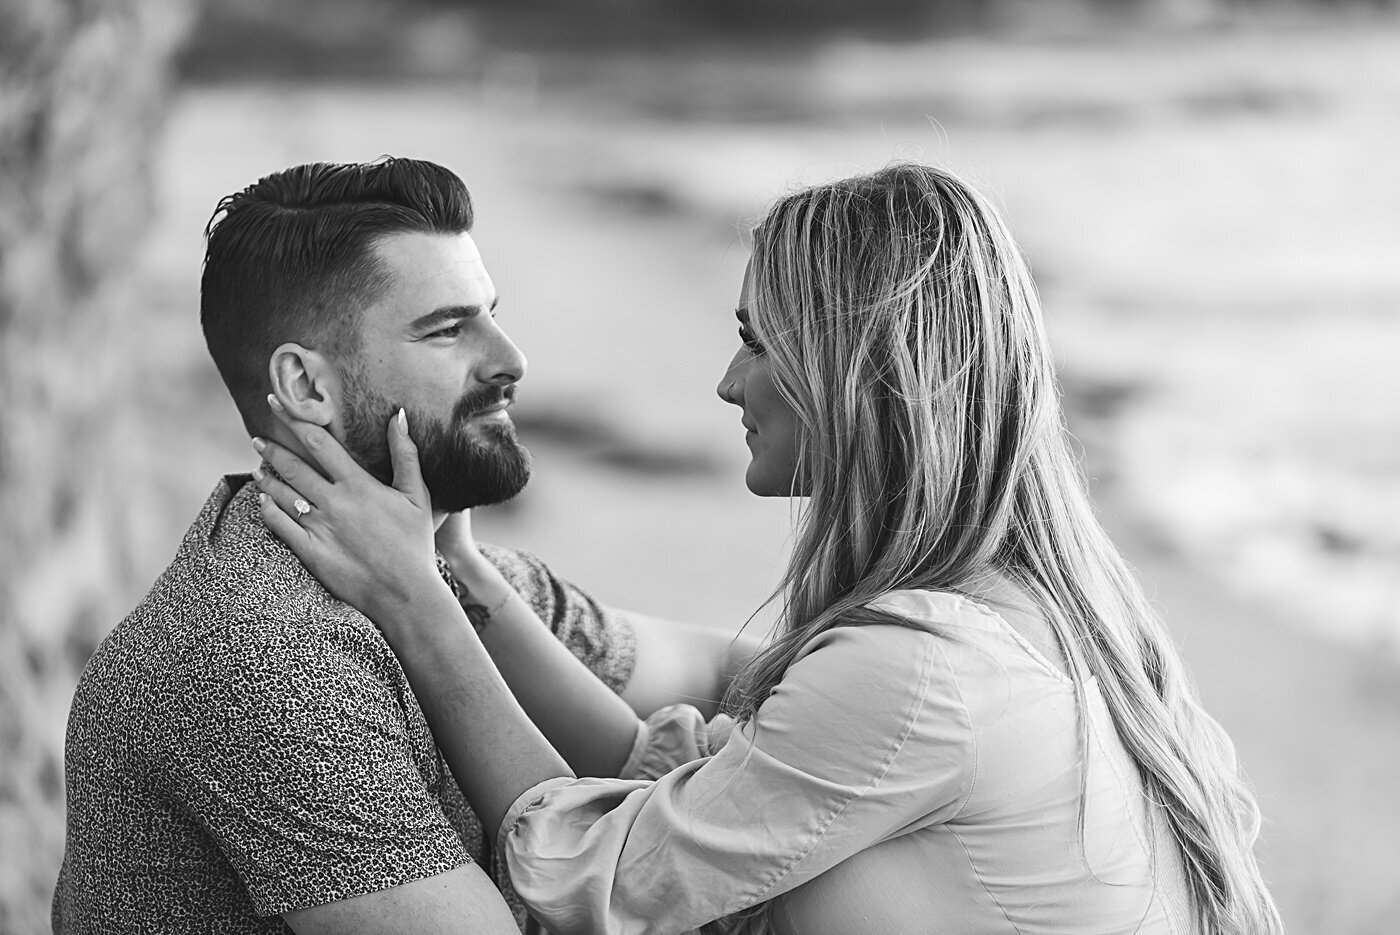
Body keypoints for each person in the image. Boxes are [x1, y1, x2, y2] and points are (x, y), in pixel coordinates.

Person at [257, 163, 1284, 935]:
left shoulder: (924, 667)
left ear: (848, 369)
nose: (725, 382)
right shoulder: (1041, 612)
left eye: (755, 338)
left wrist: (414, 606)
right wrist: (462, 571)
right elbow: (673, 791)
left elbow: (595, 876)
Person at [53, 158, 753, 935]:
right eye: (450, 330)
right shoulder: (261, 655)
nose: (511, 360)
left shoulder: (452, 571)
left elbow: (729, 672)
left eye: (492, 314)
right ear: (307, 388)